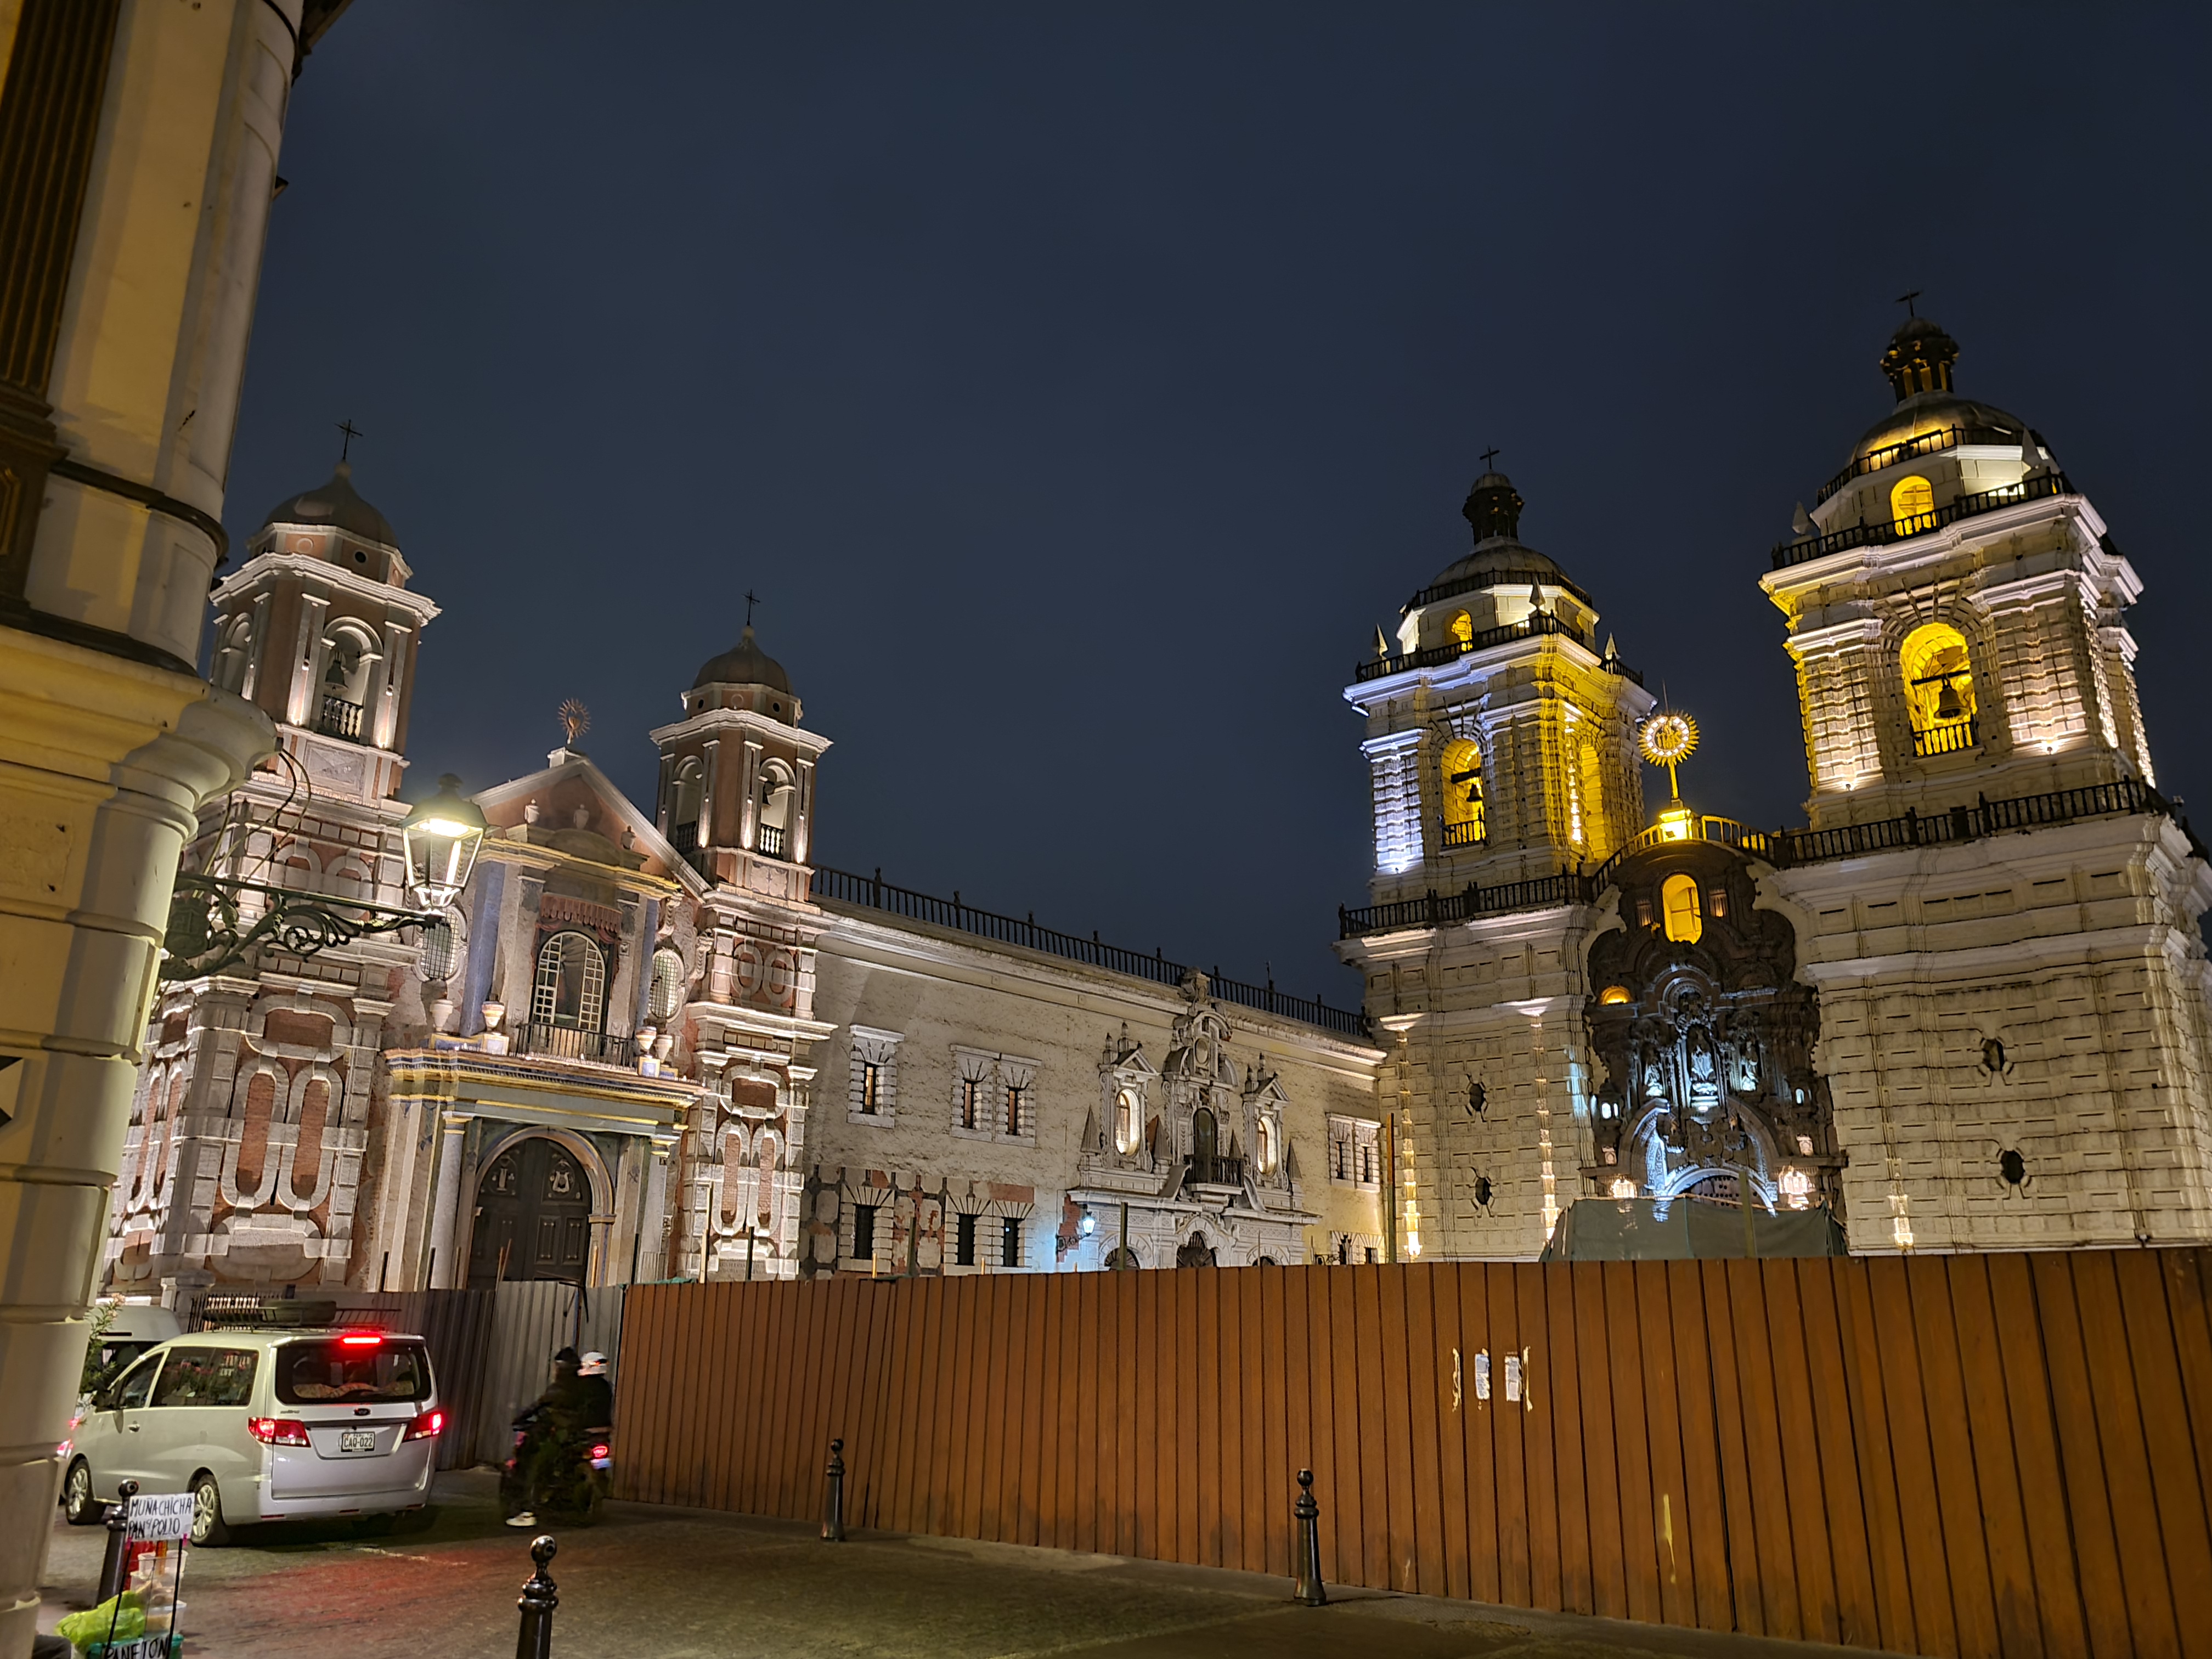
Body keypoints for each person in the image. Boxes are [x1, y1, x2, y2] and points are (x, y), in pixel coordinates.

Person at [504, 1346, 590, 1527]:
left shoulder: (558, 1389)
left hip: (558, 1438)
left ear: (560, 1368)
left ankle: (528, 1510)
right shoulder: (583, 1389)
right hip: (577, 1437)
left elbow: (537, 1406)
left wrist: (518, 1419)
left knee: (533, 1465)